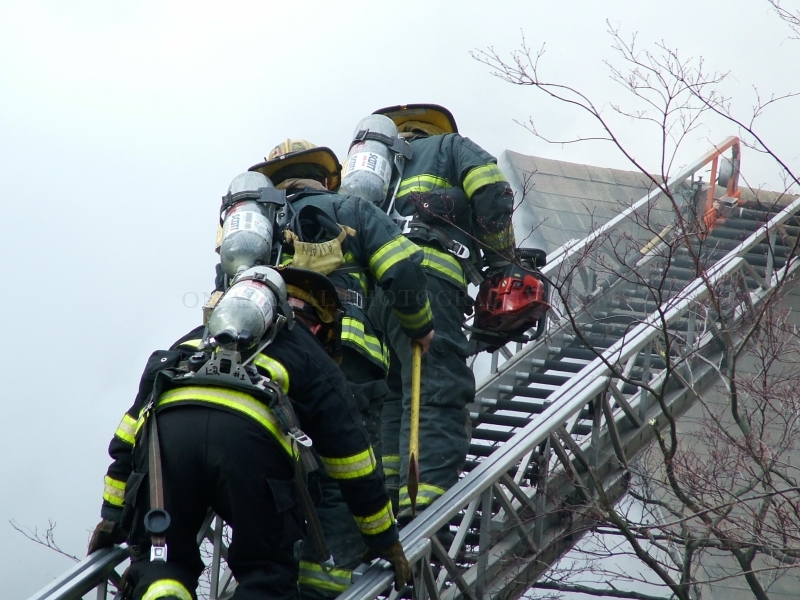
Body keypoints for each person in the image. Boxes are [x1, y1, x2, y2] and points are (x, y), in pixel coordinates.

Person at [88, 267, 410, 600]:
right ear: (318, 327)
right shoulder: (310, 354)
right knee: (265, 572)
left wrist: (113, 516)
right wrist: (383, 537)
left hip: (168, 446)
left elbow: (127, 438)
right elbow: (352, 459)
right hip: (247, 451)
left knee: (162, 561)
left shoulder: (191, 341)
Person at [245, 141, 434, 598]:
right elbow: (402, 270)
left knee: (281, 475)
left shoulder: (256, 224)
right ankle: (327, 583)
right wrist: (420, 326)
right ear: (328, 178)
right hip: (345, 360)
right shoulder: (352, 208)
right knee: (343, 471)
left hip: (269, 367)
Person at [368, 104, 518, 521]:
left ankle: (393, 498)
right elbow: (493, 190)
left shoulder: (376, 174)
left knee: (396, 394)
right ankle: (427, 505)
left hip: (374, 298)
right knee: (435, 386)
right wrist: (502, 260)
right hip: (428, 282)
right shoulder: (450, 147)